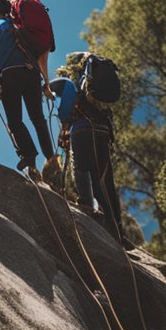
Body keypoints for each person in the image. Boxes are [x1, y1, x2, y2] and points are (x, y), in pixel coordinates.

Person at [0, 0, 58, 181]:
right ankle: (52, 160)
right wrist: (46, 83)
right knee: (37, 117)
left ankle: (31, 162)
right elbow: (42, 56)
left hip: (10, 75)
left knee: (14, 121)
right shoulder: (21, 28)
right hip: (32, 75)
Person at [51, 70, 124, 241]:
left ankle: (87, 205)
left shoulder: (71, 87)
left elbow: (59, 87)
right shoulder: (94, 94)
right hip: (102, 132)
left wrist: (44, 88)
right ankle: (117, 229)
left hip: (83, 130)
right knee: (105, 181)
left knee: (82, 171)